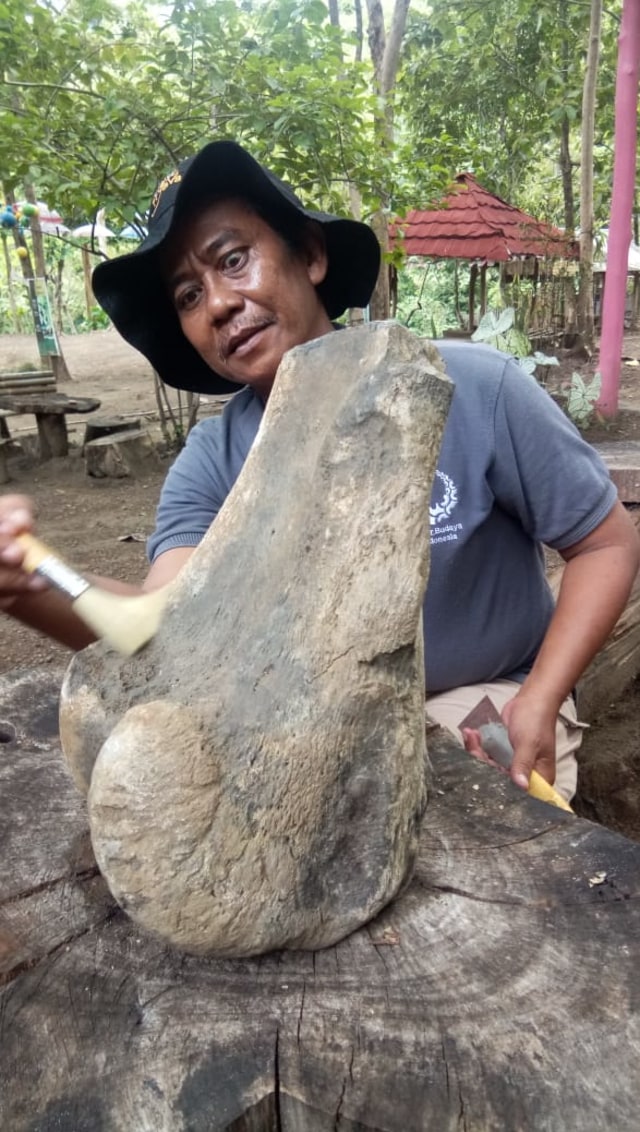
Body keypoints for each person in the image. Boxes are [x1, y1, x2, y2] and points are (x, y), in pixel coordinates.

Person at [0, 139, 637, 801]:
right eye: (189, 295)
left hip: (484, 700)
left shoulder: (473, 388)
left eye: (234, 259)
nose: (218, 303)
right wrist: (30, 580)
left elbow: (606, 543)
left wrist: (539, 695)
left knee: (481, 832)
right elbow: (165, 627)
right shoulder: (212, 465)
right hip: (304, 727)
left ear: (308, 254)